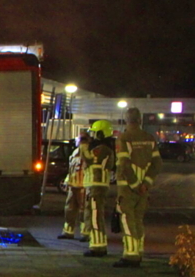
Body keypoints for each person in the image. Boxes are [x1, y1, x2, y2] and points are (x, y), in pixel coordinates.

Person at [114, 107, 162, 267]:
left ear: (126, 120)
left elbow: (124, 165)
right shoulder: (149, 138)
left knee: (127, 219)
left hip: (128, 187)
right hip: (144, 188)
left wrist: (135, 185)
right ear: (140, 120)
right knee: (138, 219)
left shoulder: (124, 138)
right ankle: (139, 250)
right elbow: (157, 163)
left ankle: (131, 255)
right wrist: (146, 183)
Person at [80, 120, 116, 257]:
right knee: (94, 214)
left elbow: (89, 160)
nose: (92, 135)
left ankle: (98, 247)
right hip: (96, 185)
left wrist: (83, 147)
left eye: (94, 132)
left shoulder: (101, 149)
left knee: (96, 216)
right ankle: (96, 244)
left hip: (96, 185)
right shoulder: (107, 148)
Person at [56, 140, 86, 241]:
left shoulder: (88, 152)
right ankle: (68, 232)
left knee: (84, 211)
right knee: (69, 209)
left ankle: (85, 233)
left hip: (83, 186)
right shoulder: (75, 153)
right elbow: (71, 170)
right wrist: (67, 181)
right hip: (73, 186)